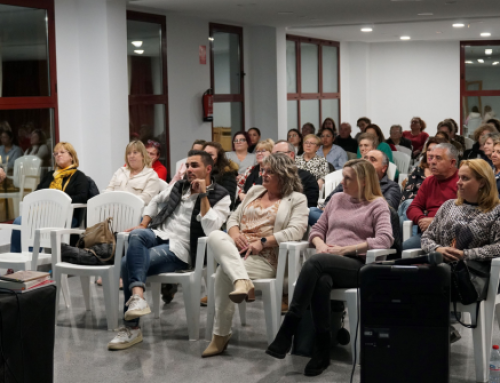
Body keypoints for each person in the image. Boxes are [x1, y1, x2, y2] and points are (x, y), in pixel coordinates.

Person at [266, 159, 393, 376]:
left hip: (358, 266)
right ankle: (322, 349)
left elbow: (385, 240)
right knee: (322, 281)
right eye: (342, 176)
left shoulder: (377, 204)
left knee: (315, 262)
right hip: (327, 262)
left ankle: (288, 328)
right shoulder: (336, 200)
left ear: (363, 181)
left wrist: (346, 250)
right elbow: (317, 230)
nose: (341, 181)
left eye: (347, 178)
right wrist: (321, 244)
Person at [108, 150, 231, 350]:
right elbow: (155, 201)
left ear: (208, 169)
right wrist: (144, 222)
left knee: (125, 264)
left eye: (194, 165)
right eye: (188, 165)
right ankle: (138, 297)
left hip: (181, 248)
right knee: (137, 234)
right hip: (158, 234)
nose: (189, 169)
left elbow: (212, 229)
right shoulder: (179, 186)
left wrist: (203, 196)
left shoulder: (221, 195)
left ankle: (132, 328)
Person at [202, 153, 309, 358]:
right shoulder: (255, 191)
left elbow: (296, 230)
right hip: (237, 251)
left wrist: (263, 242)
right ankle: (243, 281)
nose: (264, 174)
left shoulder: (297, 199)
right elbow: (233, 217)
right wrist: (234, 234)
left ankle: (220, 335)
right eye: (263, 170)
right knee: (216, 234)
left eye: (270, 171)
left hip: (268, 257)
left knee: (224, 271)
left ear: (283, 175)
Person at [10, 142, 90, 253]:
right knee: (19, 221)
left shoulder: (79, 176)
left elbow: (82, 197)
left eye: (62, 152)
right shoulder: (50, 175)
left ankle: (33, 260)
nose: (58, 155)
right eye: (56, 153)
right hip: (44, 213)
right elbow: (37, 193)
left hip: (66, 216)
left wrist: (59, 201)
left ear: (71, 156)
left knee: (36, 225)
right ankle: (18, 260)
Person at [309, 150, 401, 225]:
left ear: (384, 168)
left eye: (372, 160)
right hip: (338, 217)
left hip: (364, 223)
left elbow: (386, 211)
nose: (366, 162)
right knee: (312, 211)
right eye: (365, 158)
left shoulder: (392, 187)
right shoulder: (349, 180)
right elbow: (328, 202)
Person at [403, 143, 459, 250]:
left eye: (438, 158)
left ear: (452, 163)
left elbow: (467, 216)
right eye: (431, 157)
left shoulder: (462, 181)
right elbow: (413, 207)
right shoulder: (429, 181)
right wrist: (422, 219)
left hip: (454, 236)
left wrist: (435, 222)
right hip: (430, 234)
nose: (432, 162)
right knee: (407, 247)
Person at [105, 140, 160, 206]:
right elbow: (108, 190)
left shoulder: (151, 176)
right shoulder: (120, 171)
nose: (131, 156)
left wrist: (122, 201)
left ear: (143, 155)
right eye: (129, 153)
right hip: (114, 211)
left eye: (135, 152)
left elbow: (146, 199)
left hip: (136, 213)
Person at [273, 141, 319, 208]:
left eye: (278, 154)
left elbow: (309, 206)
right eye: (272, 155)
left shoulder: (307, 178)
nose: (273, 158)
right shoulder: (267, 176)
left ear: (291, 155)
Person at [203, 141, 239, 209]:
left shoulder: (227, 174)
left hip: (216, 212)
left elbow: (229, 202)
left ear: (218, 158)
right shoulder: (195, 172)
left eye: (211, 155)